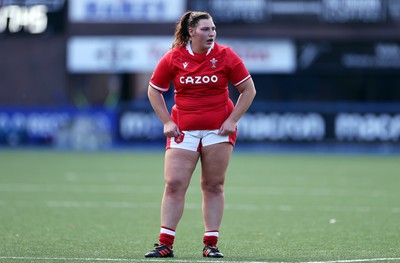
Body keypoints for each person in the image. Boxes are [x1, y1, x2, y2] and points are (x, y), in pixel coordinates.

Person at [144, 10, 256, 258]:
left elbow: (248, 90)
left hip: (218, 130)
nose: (211, 33)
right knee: (174, 183)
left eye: (213, 29)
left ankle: (211, 244)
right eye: (206, 29)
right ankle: (165, 244)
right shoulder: (174, 58)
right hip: (183, 130)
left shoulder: (225, 55)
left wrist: (232, 120)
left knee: (213, 185)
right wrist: (166, 121)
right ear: (191, 31)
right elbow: (154, 91)